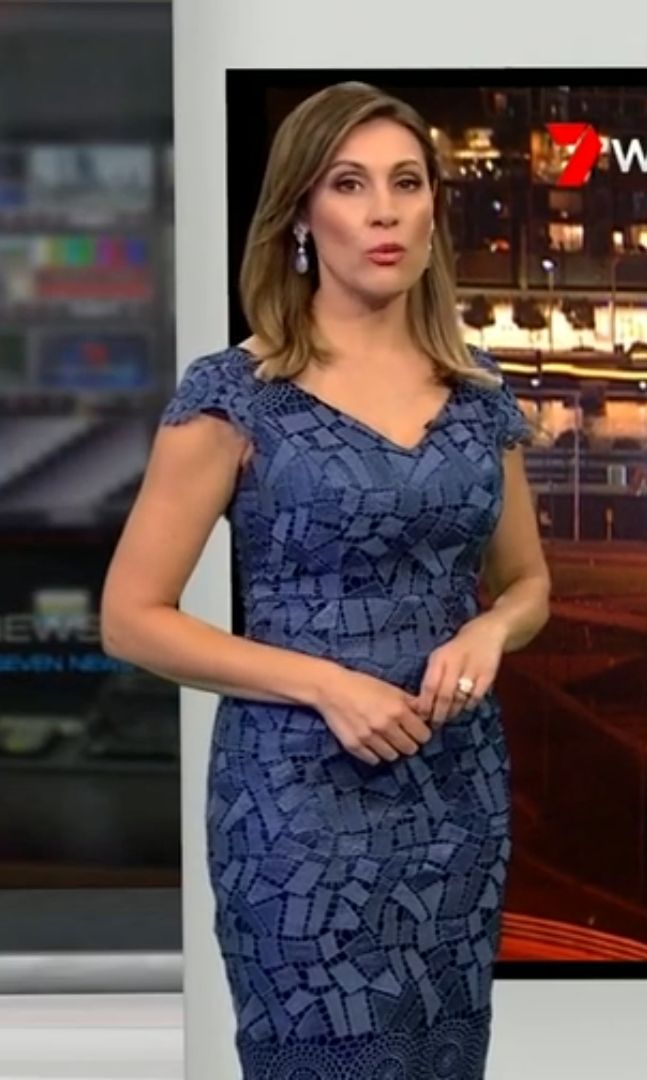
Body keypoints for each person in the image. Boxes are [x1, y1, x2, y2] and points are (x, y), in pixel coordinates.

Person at [100, 81, 551, 1080]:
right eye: (348, 185)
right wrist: (325, 684)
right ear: (301, 214)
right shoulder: (235, 394)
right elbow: (131, 619)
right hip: (297, 807)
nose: (382, 211)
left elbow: (526, 583)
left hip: (453, 794)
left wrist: (488, 630)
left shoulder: (477, 394)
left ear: (432, 209)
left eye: (405, 183)